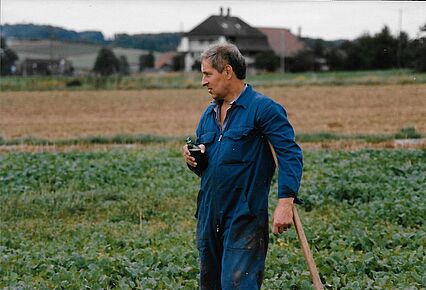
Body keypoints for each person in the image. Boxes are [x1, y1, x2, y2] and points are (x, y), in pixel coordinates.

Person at [182, 43, 303, 289]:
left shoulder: (263, 109)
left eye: (207, 74)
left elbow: (289, 154)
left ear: (227, 71)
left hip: (244, 215)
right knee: (210, 285)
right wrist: (193, 160)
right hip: (208, 213)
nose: (203, 82)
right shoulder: (208, 115)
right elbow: (209, 166)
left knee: (237, 285)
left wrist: (285, 202)